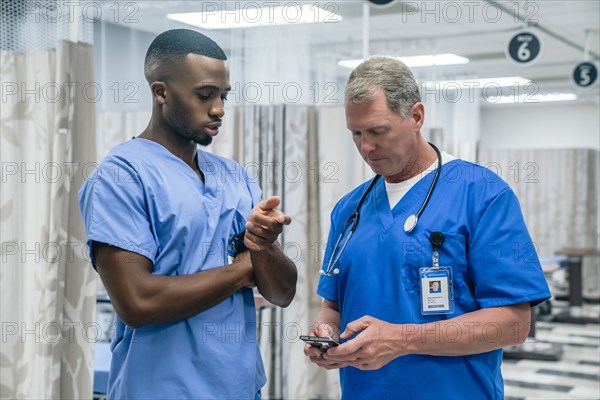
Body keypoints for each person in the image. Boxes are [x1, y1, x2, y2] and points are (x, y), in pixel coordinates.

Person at [304, 56, 550, 399]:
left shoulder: (482, 194)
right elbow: (332, 305)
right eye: (356, 133)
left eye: (378, 131)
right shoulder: (349, 210)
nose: (366, 147)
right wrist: (326, 332)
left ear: (416, 116)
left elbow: (514, 324)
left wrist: (400, 340)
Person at [79, 29, 297, 399]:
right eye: (204, 95)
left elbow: (282, 293)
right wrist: (245, 269)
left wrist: (263, 247)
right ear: (161, 92)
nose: (219, 109)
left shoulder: (235, 178)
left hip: (238, 388)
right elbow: (138, 302)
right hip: (158, 389)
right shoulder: (122, 177)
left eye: (223, 95)